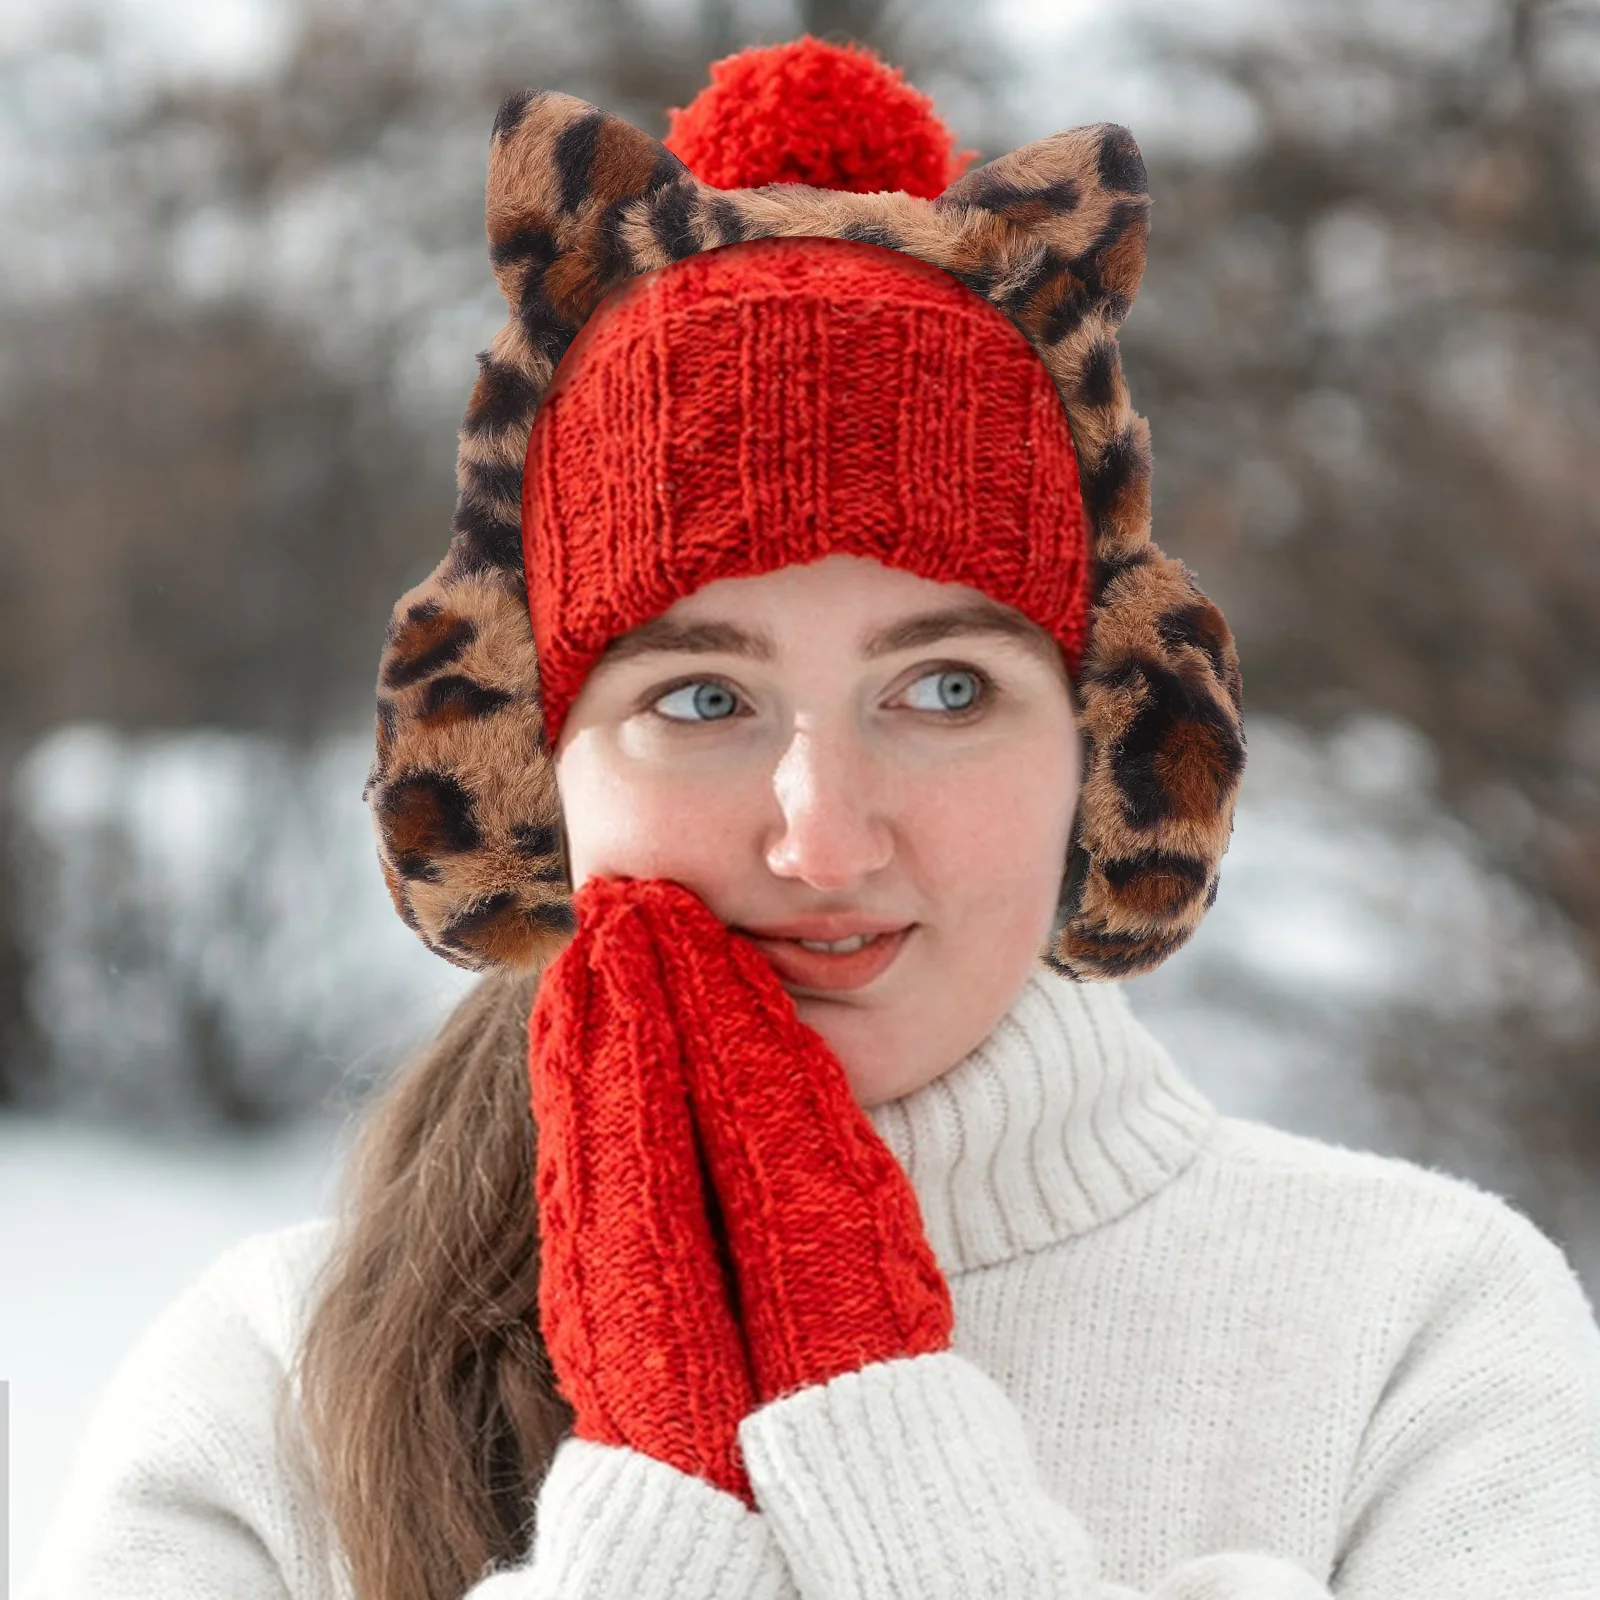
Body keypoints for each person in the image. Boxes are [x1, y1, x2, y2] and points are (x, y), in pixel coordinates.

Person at [24, 35, 1600, 1600]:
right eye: (701, 700)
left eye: (946, 692)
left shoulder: (1419, 1334)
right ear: (529, 769)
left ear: (1107, 752)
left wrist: (882, 1443)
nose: (825, 837)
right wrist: (665, 1499)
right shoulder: (267, 1396)